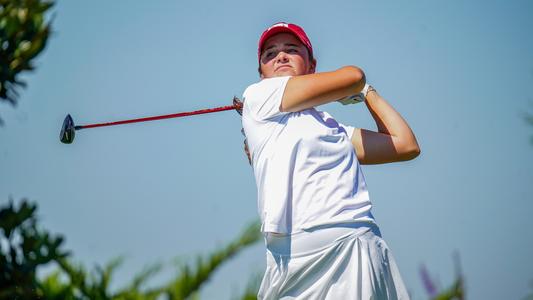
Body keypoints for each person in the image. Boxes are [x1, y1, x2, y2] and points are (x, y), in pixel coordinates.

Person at [241, 22, 419, 300]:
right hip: (290, 262)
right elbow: (352, 75)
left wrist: (367, 92)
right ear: (261, 72)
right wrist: (351, 85)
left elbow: (405, 144)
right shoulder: (258, 95)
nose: (281, 56)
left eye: (291, 49)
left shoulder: (334, 129)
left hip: (351, 249)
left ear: (312, 66)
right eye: (270, 54)